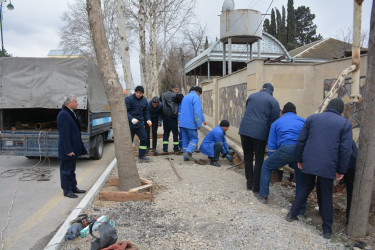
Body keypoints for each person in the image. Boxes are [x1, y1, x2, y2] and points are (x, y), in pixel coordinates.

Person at [285, 98, 352, 239]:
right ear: (340, 110)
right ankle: (327, 230)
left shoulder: (312, 118)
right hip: (328, 164)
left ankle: (292, 214)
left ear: (328, 106)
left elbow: (301, 140)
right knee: (326, 194)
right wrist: (341, 170)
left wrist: (300, 159)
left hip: (309, 160)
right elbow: (345, 149)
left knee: (305, 187)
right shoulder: (344, 123)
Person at [255, 102, 306, 217]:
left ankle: (263, 196)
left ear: (283, 113)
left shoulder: (277, 122)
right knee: (301, 177)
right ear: (295, 112)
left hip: (285, 150)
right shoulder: (303, 121)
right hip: (301, 152)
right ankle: (301, 210)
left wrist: (274, 160)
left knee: (266, 166)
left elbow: (272, 146)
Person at [238, 83, 280, 193]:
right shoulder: (274, 102)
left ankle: (249, 183)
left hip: (244, 130)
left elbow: (248, 110)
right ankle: (256, 187)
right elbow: (273, 123)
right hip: (260, 134)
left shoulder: (252, 96)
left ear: (262, 88)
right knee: (259, 160)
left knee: (247, 157)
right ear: (272, 91)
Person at [57, 94, 88, 198]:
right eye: (75, 101)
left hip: (72, 148)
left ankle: (73, 187)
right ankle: (67, 190)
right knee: (66, 170)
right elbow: (64, 135)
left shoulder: (70, 112)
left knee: (71, 170)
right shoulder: (63, 114)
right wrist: (68, 150)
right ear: (69, 103)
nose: (77, 103)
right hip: (67, 150)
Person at [125, 85, 152, 163]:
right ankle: (127, 158)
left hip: (139, 124)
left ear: (142, 93)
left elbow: (146, 111)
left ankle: (142, 156)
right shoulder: (129, 99)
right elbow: (125, 111)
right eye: (137, 92)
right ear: (135, 92)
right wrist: (131, 119)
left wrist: (148, 119)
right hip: (130, 124)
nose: (138, 94)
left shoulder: (144, 100)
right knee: (129, 141)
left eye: (140, 93)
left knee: (144, 138)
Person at [179, 86, 204, 161]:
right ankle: (188, 152)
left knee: (185, 140)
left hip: (182, 123)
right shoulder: (196, 97)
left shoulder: (185, 97)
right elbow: (197, 112)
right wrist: (199, 124)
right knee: (194, 139)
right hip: (190, 123)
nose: (199, 96)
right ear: (198, 92)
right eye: (200, 94)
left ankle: (185, 157)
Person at [161, 85, 184, 153]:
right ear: (172, 89)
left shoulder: (163, 95)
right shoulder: (176, 95)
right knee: (175, 133)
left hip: (165, 117)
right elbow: (182, 99)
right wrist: (179, 93)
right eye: (176, 89)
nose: (177, 91)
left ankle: (165, 149)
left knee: (166, 133)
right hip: (173, 117)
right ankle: (176, 149)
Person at [343, 139, 358, 225]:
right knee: (351, 193)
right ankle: (349, 219)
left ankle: (349, 219)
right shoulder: (349, 138)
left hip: (349, 166)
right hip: (351, 166)